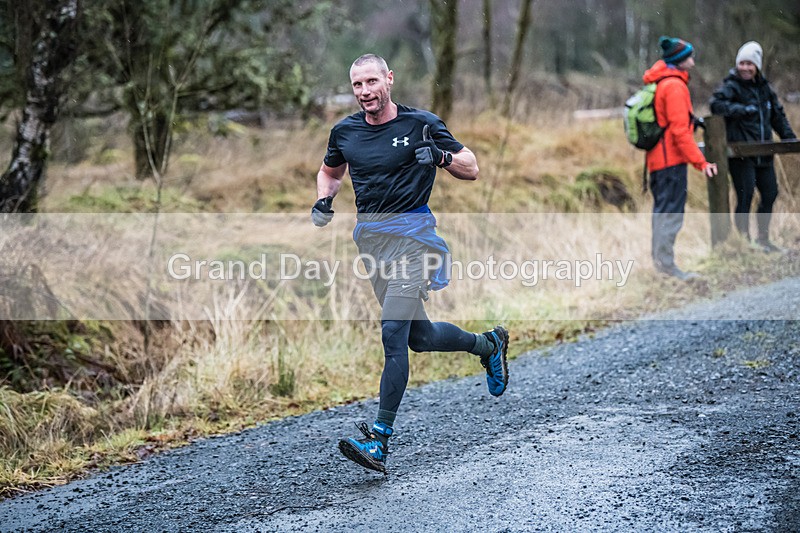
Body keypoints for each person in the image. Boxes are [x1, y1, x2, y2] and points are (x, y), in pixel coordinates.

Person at [312, 54, 509, 473]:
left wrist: (439, 157)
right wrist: (324, 199)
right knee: (419, 338)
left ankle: (380, 440)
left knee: (392, 332)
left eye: (371, 82)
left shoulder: (422, 123)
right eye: (357, 85)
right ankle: (488, 345)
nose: (365, 92)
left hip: (415, 240)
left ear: (389, 79)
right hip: (373, 242)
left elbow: (471, 167)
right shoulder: (344, 131)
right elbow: (330, 172)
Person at [642, 36, 718, 281]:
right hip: (670, 162)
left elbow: (675, 124)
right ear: (679, 60)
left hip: (659, 161)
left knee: (662, 213)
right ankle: (667, 269)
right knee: (670, 214)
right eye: (690, 57)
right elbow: (679, 132)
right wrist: (701, 162)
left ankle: (662, 266)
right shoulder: (674, 86)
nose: (693, 62)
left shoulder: (663, 82)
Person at [709, 41, 796, 253]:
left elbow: (778, 116)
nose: (745, 68)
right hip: (741, 155)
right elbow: (716, 105)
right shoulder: (731, 86)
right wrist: (741, 109)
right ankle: (744, 242)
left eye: (750, 64)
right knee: (745, 196)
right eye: (742, 63)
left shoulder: (765, 89)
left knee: (770, 193)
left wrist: (789, 138)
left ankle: (764, 239)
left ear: (757, 66)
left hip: (764, 153)